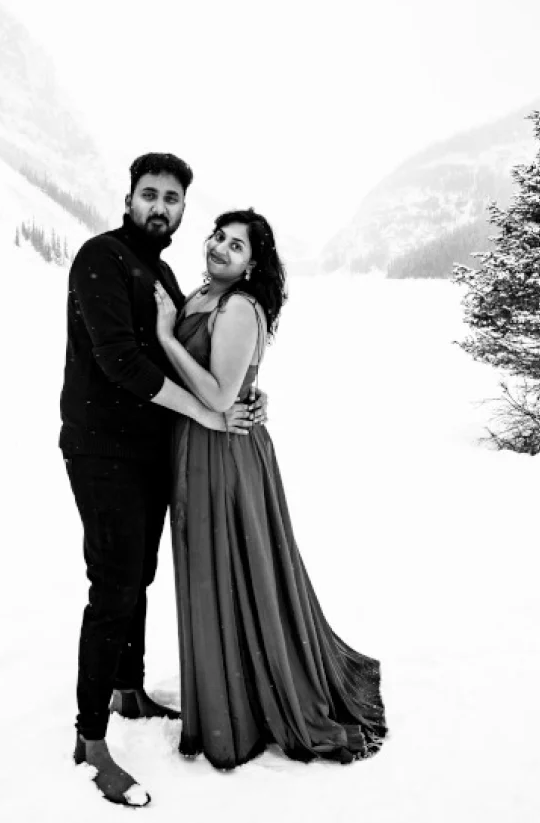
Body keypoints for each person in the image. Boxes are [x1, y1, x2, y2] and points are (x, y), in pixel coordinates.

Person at [59, 154, 265, 808]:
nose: (160, 206)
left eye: (172, 198)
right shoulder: (100, 257)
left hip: (153, 450)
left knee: (138, 575)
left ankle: (131, 688)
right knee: (113, 583)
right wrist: (209, 412)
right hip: (101, 450)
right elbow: (121, 361)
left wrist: (244, 395)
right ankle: (90, 740)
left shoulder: (163, 270)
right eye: (150, 194)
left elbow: (196, 356)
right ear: (128, 197)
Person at [153, 209, 387, 770]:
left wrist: (164, 334)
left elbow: (217, 394)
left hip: (225, 453)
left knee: (233, 567)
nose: (221, 247)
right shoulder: (210, 294)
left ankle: (246, 702)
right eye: (218, 237)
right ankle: (231, 689)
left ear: (254, 264)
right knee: (220, 567)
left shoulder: (238, 307)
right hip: (205, 446)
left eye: (236, 246)